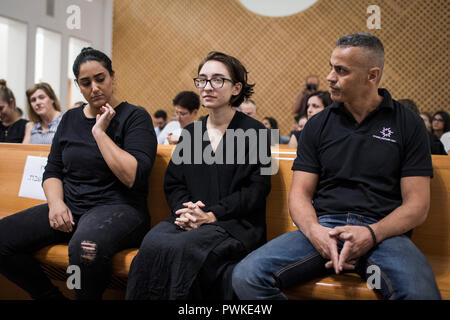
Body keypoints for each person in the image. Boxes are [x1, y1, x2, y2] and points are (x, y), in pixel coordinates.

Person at [232, 33, 441, 300]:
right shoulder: (318, 124)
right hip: (325, 228)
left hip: (384, 234)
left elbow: (417, 206)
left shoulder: (407, 124)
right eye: (331, 67)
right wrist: (314, 232)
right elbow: (300, 195)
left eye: (341, 71)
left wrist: (371, 234)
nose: (330, 77)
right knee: (246, 277)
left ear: (371, 75)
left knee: (420, 294)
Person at [0, 47, 157, 300]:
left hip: (119, 208)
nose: (94, 87)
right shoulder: (71, 118)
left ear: (113, 77)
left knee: (86, 249)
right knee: (3, 238)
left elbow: (132, 176)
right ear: (79, 87)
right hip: (71, 206)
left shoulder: (135, 117)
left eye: (100, 78)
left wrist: (99, 133)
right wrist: (56, 203)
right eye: (86, 83)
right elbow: (52, 169)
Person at [126, 51, 271, 300]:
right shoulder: (192, 133)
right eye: (202, 80)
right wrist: (187, 211)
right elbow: (174, 183)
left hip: (235, 224)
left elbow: (256, 190)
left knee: (184, 250)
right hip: (190, 219)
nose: (207, 87)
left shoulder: (256, 132)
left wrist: (212, 214)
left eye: (217, 80)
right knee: (151, 243)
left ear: (236, 88)